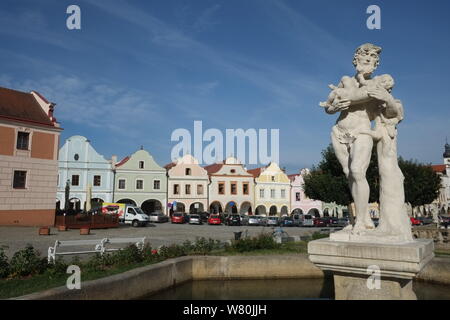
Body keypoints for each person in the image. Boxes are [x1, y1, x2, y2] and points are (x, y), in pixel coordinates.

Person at [323, 43, 403, 234]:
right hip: (339, 131)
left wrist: (387, 99)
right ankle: (363, 217)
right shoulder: (345, 82)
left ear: (375, 65)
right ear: (355, 61)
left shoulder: (378, 84)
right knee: (348, 173)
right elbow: (328, 107)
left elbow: (392, 114)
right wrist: (333, 107)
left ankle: (360, 222)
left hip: (362, 131)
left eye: (371, 61)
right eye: (363, 59)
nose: (366, 63)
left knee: (358, 172)